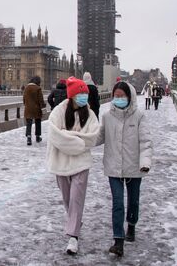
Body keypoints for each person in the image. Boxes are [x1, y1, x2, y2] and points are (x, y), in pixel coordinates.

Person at [97, 81, 152, 257]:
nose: (118, 99)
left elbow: (145, 141)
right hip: (113, 166)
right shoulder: (107, 116)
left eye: (122, 96)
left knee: (133, 201)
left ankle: (132, 224)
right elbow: (99, 137)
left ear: (129, 97)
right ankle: (118, 241)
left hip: (134, 166)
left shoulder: (139, 116)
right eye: (116, 96)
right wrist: (79, 141)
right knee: (118, 203)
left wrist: (145, 162)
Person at [47, 77, 100, 255]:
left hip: (81, 163)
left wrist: (67, 136)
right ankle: (75, 221)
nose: (85, 96)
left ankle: (73, 237)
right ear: (72, 95)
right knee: (68, 198)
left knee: (76, 198)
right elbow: (55, 135)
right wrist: (77, 140)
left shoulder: (90, 114)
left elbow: (92, 137)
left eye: (86, 93)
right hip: (60, 162)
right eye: (82, 93)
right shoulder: (58, 112)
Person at [23, 76, 46, 145]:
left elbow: (24, 99)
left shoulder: (26, 88)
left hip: (28, 108)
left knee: (29, 123)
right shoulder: (38, 88)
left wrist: (26, 105)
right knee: (38, 122)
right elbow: (40, 100)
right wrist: (43, 106)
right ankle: (37, 137)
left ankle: (29, 138)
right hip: (36, 109)